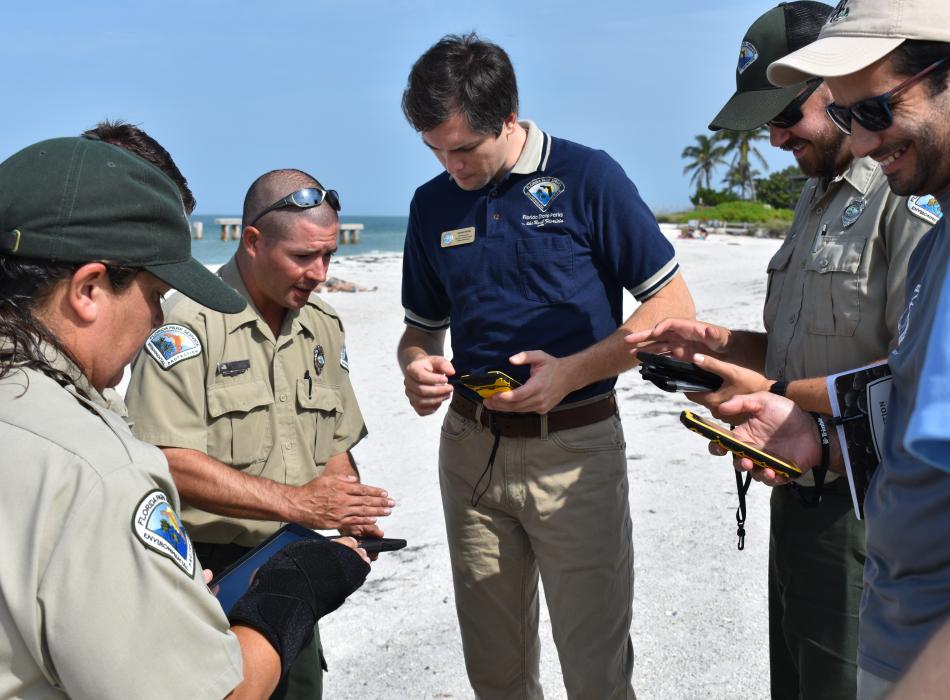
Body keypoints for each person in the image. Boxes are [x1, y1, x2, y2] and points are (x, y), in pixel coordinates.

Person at [626, 4, 936, 698]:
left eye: (785, 115)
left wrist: (817, 428)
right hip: (792, 491)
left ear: (838, 81)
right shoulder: (814, 197)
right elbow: (804, 352)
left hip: (867, 506)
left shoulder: (905, 194)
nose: (773, 137)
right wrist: (718, 345)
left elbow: (918, 373)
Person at [0, 135, 371, 699]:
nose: (155, 319)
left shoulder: (321, 324)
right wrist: (296, 589)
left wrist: (343, 506)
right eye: (152, 293)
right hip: (225, 568)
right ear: (89, 289)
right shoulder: (102, 468)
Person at [397, 33, 695, 699]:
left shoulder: (589, 177)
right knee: (496, 674)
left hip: (576, 452)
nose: (452, 167)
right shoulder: (432, 204)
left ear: (507, 119)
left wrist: (572, 371)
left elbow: (671, 305)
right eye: (436, 151)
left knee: (595, 672)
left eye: (464, 149)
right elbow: (420, 328)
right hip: (471, 452)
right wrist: (418, 366)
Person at [125, 168, 395, 699]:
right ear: (251, 241)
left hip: (295, 564)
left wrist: (351, 514)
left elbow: (335, 441)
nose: (319, 272)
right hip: (207, 577)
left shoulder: (321, 323)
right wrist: (301, 505)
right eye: (302, 257)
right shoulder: (188, 324)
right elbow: (165, 458)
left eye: (329, 257)